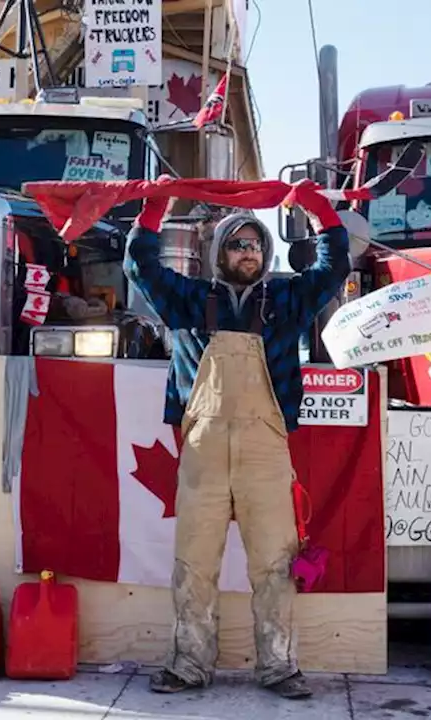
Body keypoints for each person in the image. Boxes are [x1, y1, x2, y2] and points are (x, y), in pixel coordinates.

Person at [123, 181, 350, 699]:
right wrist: (154, 209)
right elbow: (139, 267)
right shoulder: (188, 299)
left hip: (267, 450)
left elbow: (334, 267)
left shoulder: (287, 299)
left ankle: (278, 667)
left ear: (265, 255)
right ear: (217, 253)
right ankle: (187, 666)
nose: (246, 252)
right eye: (235, 244)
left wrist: (319, 212)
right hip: (202, 448)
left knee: (274, 563)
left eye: (253, 245)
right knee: (194, 562)